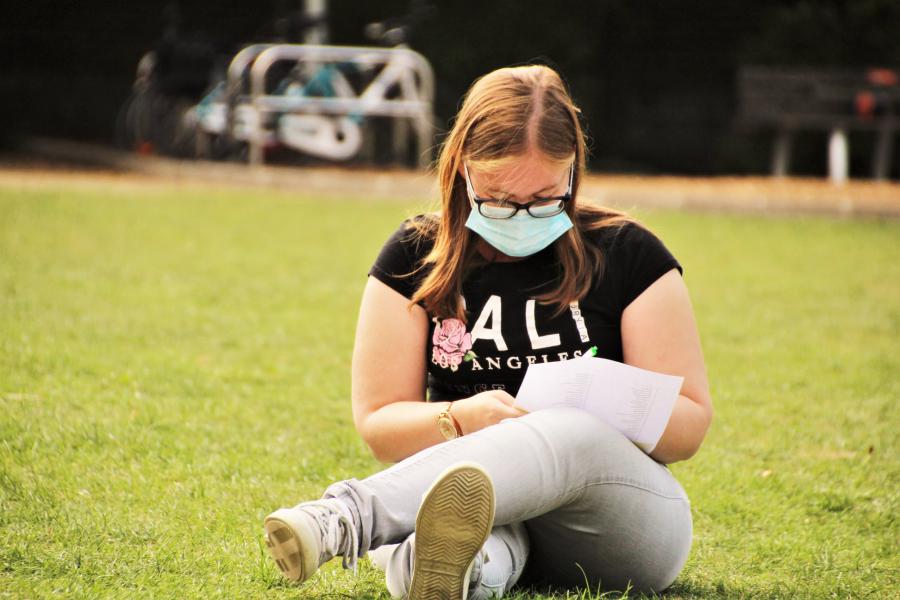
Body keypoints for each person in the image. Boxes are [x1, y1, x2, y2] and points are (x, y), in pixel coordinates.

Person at [263, 64, 712, 599]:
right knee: (458, 523)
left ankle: (347, 517)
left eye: (545, 196)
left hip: (616, 526)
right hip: (486, 501)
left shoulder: (629, 252)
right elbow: (379, 423)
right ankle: (449, 574)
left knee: (572, 432)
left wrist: (600, 399)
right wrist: (460, 418)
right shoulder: (415, 256)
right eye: (499, 196)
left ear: (573, 173)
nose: (522, 213)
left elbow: (690, 426)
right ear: (462, 170)